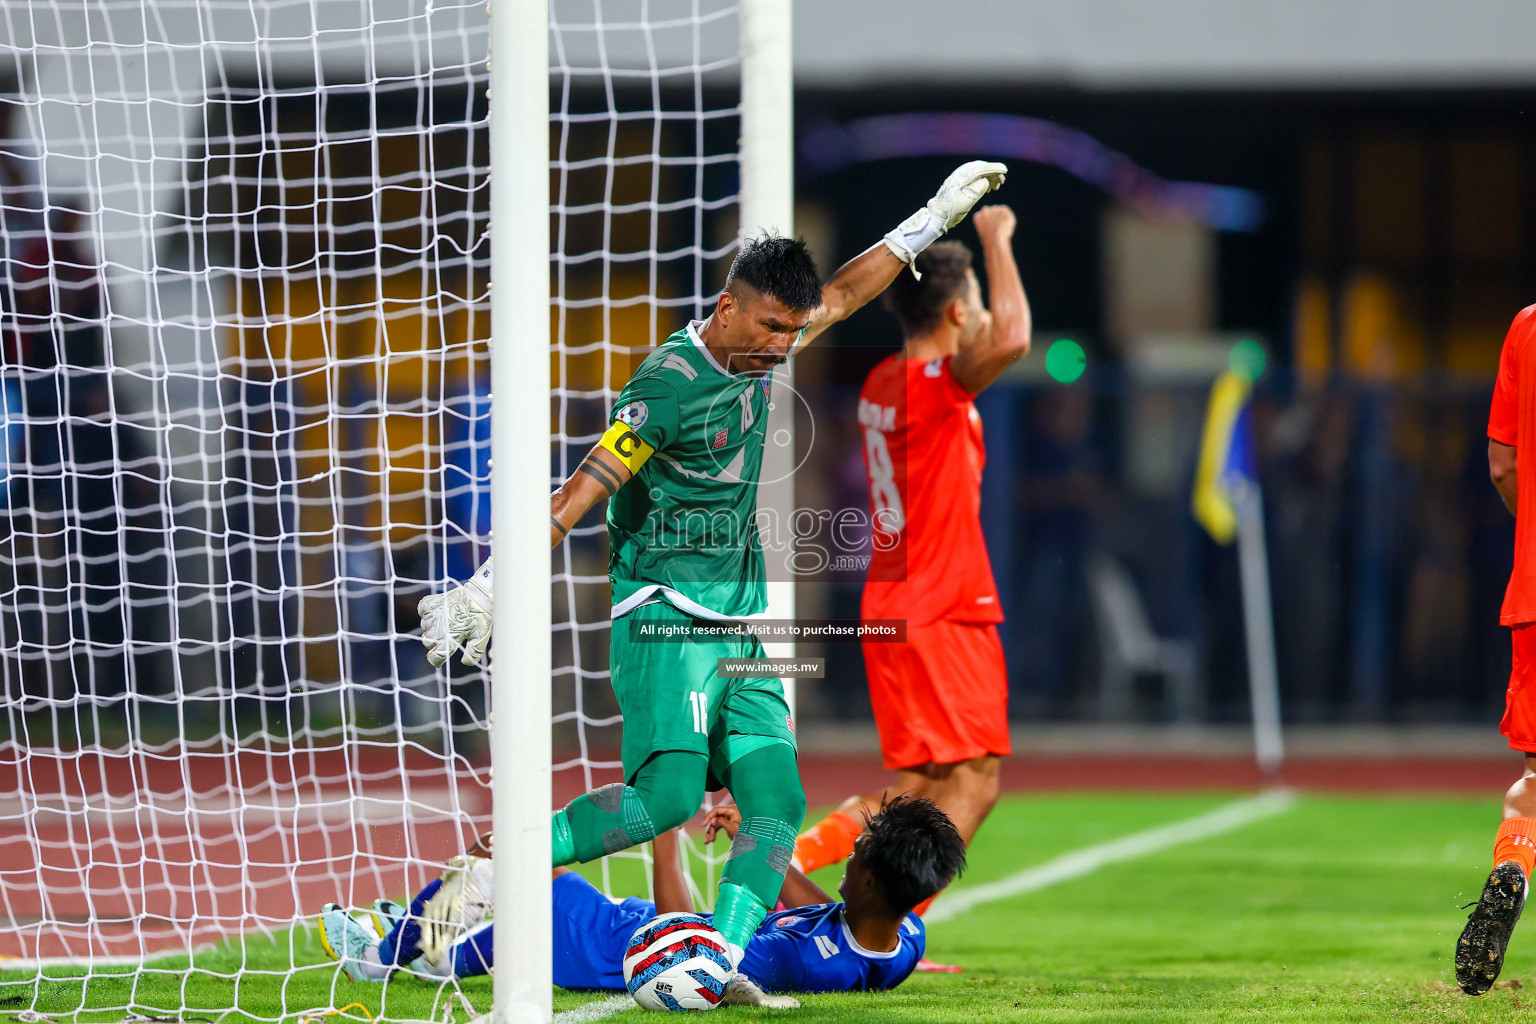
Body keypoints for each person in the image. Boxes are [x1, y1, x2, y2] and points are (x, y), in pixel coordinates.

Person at [415, 160, 1007, 968]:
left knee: (775, 802)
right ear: (726, 308)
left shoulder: (774, 337)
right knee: (666, 798)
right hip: (663, 614)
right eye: (768, 328)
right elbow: (583, 488)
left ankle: (715, 961)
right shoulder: (666, 385)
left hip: (736, 621)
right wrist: (494, 581)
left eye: (791, 331)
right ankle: (493, 866)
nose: (780, 346)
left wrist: (933, 216)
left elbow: (845, 291)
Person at [793, 206, 1030, 932]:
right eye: (976, 306)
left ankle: (792, 860)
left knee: (917, 787)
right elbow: (1014, 335)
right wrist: (996, 240)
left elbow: (984, 337)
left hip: (892, 597)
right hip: (944, 601)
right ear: (958, 310)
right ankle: (882, 930)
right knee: (977, 781)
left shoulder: (881, 385)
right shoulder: (936, 386)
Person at [317, 796, 966, 1003]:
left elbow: (678, 947)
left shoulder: (789, 964)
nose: (846, 863)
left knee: (507, 865)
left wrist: (663, 841)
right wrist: (762, 848)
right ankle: (421, 926)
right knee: (504, 879)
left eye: (855, 859)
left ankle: (386, 954)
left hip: (614, 948)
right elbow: (828, 912)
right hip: (619, 927)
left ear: (877, 883)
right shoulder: (904, 939)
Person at [1459, 302, 1536, 995]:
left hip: (1535, 590)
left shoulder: (1525, 328)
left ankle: (1512, 869)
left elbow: (1502, 465)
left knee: (1533, 789)